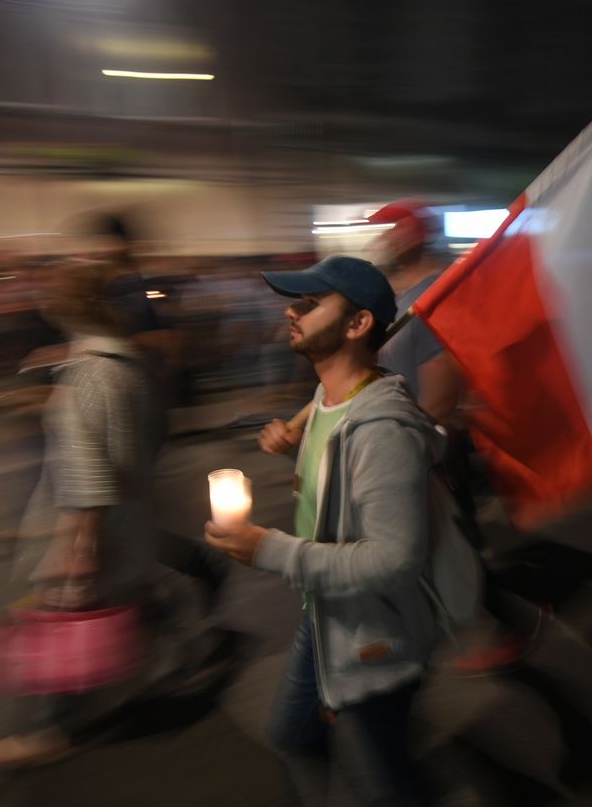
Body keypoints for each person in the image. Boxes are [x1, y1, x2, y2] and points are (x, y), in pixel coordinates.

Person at [259, 202, 550, 675]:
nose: (385, 240)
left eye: (394, 230)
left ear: (416, 235)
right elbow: (354, 377)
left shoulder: (435, 297)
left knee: (444, 546)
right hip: (384, 438)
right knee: (436, 545)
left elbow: (439, 394)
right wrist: (299, 427)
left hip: (413, 444)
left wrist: (412, 446)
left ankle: (480, 626)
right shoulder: (388, 296)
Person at [205, 255, 441, 806]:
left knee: (387, 783)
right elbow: (330, 421)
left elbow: (395, 560)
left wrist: (271, 550)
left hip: (374, 637)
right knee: (293, 735)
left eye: (310, 305)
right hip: (327, 615)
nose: (292, 311)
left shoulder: (382, 431)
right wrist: (294, 436)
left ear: (357, 325)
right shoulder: (329, 398)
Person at [0, 260, 165, 770]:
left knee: (60, 623)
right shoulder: (124, 366)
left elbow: (85, 475)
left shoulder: (89, 376)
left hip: (96, 529)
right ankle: (139, 673)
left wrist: (73, 548)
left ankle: (47, 732)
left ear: (60, 310)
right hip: (132, 519)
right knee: (119, 608)